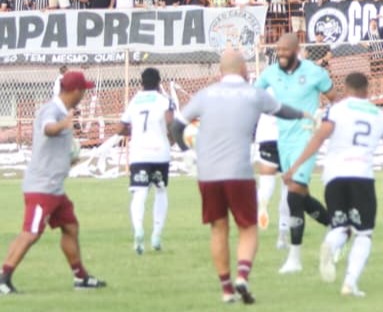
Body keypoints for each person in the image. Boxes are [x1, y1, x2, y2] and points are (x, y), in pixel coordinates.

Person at [172, 50, 305, 304]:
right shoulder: (253, 93)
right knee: (247, 227)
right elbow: (282, 110)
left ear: (219, 72)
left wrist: (186, 153)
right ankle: (242, 275)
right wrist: (304, 115)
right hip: (238, 172)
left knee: (218, 228)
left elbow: (177, 126)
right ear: (244, 70)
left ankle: (225, 289)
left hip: (208, 173)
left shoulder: (205, 94)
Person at [282, 72, 383, 298]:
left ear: (346, 88)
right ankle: (350, 283)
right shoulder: (379, 116)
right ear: (367, 90)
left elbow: (319, 137)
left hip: (334, 176)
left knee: (340, 227)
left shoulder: (337, 110)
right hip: (362, 176)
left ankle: (331, 243)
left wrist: (295, 167)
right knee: (363, 234)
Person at [0, 71, 107, 295]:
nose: (84, 95)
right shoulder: (53, 111)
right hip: (42, 187)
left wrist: (70, 157)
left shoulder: (63, 112)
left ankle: (81, 278)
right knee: (30, 233)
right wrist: (63, 125)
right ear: (75, 91)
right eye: (83, 90)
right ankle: (4, 278)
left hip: (55, 188)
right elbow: (48, 129)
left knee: (70, 227)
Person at [255, 34, 334, 273]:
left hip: (306, 138)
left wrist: (325, 120)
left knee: (294, 193)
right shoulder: (270, 73)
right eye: (278, 51)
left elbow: (335, 99)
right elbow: (254, 96)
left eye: (285, 51)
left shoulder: (315, 73)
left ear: (296, 50)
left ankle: (294, 258)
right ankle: (338, 227)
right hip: (283, 141)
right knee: (300, 195)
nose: (281, 55)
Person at [119, 67, 175, 254]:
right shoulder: (164, 100)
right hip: (160, 153)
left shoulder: (134, 101)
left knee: (139, 193)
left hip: (139, 154)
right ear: (159, 83)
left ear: (141, 83)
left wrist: (130, 131)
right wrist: (174, 140)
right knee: (160, 191)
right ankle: (157, 235)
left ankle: (138, 230)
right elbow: (170, 123)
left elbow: (122, 127)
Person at [253, 98, 290, 250]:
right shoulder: (295, 82)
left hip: (267, 137)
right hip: (288, 138)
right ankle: (283, 233)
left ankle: (260, 209)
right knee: (288, 186)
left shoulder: (264, 84)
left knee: (266, 184)